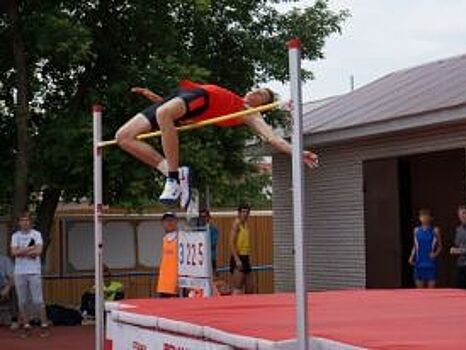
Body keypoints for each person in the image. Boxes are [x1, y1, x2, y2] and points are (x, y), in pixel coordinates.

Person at [115, 80, 319, 207]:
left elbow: (272, 138)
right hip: (183, 95)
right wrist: (157, 98)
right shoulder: (237, 100)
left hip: (201, 98)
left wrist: (297, 152)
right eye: (258, 89)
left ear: (262, 107)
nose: (255, 92)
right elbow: (179, 113)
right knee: (123, 137)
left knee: (163, 112)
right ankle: (171, 171)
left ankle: (174, 177)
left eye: (262, 95)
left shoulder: (250, 114)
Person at [10, 212, 49, 334]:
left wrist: (21, 251)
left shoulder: (36, 234)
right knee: (22, 300)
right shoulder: (15, 236)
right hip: (19, 272)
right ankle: (26, 324)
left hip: (34, 272)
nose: (25, 223)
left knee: (38, 300)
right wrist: (29, 249)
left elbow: (38, 251)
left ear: (30, 222)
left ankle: (43, 324)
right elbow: (14, 253)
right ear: (19, 223)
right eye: (22, 220)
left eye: (27, 220)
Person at [408, 208, 442, 288]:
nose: (424, 218)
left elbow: (440, 246)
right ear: (419, 218)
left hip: (430, 262)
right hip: (419, 261)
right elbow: (415, 246)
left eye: (426, 216)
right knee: (420, 290)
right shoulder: (416, 230)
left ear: (430, 218)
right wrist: (411, 256)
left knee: (431, 290)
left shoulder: (435, 230)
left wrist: (435, 254)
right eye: (422, 216)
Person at [229, 204, 253, 294]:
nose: (245, 214)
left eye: (247, 212)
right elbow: (231, 242)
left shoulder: (246, 224)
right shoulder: (236, 223)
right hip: (238, 257)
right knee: (237, 288)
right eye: (243, 212)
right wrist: (237, 259)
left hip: (245, 256)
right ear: (239, 213)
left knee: (250, 287)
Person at [156, 212, 180, 297]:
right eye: (166, 221)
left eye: (171, 220)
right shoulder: (165, 239)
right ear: (162, 223)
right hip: (163, 284)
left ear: (176, 221)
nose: (169, 223)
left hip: (176, 284)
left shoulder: (181, 238)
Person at [198, 208, 220, 276]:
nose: (203, 219)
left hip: (210, 257)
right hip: (200, 258)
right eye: (201, 217)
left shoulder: (213, 228)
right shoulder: (199, 228)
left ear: (208, 217)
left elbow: (213, 243)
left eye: (204, 216)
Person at [0, 252, 17, 329]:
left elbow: (12, 277)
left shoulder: (5, 260)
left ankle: (14, 320)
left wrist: (6, 289)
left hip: (4, 287)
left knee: (14, 289)